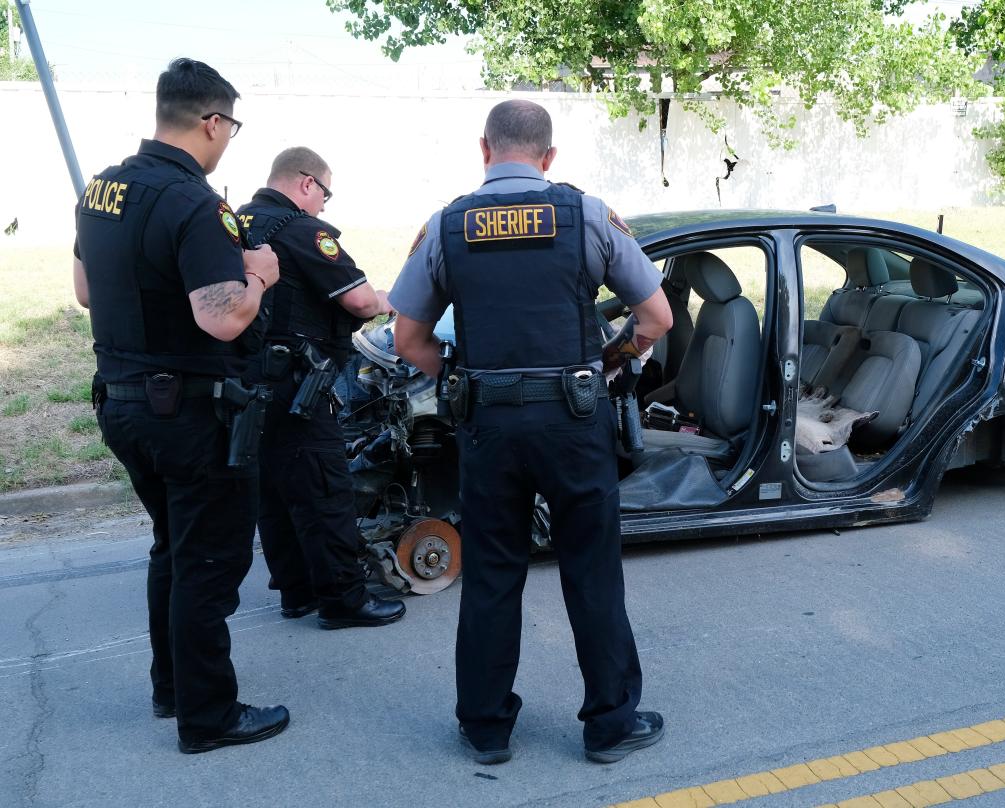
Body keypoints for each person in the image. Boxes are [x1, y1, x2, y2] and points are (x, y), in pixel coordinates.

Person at [389, 99, 673, 765]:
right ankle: (609, 726)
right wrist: (606, 364)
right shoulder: (587, 215)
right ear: (549, 157)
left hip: (488, 425)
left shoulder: (447, 224)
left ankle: (486, 728)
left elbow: (407, 337)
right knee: (592, 573)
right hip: (575, 423)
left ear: (484, 150)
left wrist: (460, 374)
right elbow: (655, 317)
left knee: (491, 574)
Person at [72, 58, 289, 754]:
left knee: (173, 547)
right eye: (230, 125)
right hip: (192, 414)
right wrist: (258, 276)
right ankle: (209, 717)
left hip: (124, 404)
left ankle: (173, 688)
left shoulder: (102, 188)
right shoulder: (195, 203)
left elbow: (83, 290)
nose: (229, 139)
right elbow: (222, 319)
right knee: (207, 564)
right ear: (211, 121)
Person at [238, 147, 406, 630]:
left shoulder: (236, 223)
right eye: (325, 194)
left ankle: (297, 591)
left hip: (251, 384)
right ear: (307, 183)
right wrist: (394, 299)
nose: (324, 207)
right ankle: (342, 600)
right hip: (299, 386)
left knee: (275, 490)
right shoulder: (300, 230)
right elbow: (357, 300)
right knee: (325, 490)